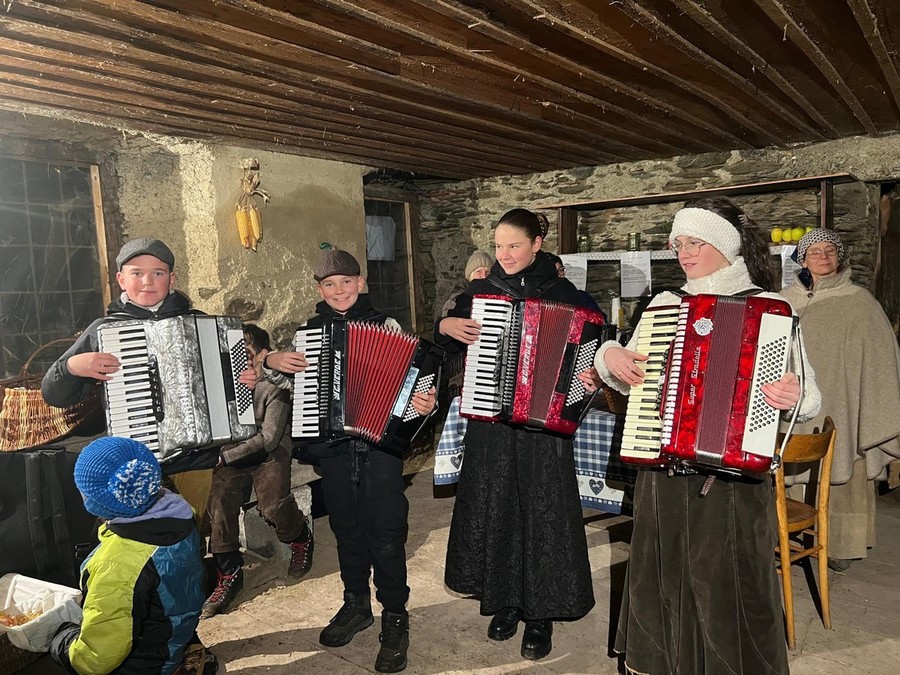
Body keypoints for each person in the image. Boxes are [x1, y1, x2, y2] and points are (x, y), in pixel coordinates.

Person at [595, 197, 821, 674]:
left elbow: (811, 398)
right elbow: (622, 370)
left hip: (734, 482)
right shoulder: (665, 304)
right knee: (664, 574)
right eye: (678, 243)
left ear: (724, 244)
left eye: (694, 241)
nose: (684, 252)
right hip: (663, 468)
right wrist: (610, 355)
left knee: (730, 581)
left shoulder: (770, 310)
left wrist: (792, 393)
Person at [263, 249, 436, 674]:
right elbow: (282, 375)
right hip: (335, 450)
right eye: (329, 284)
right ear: (319, 290)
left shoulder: (387, 326)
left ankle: (395, 617)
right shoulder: (309, 333)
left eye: (346, 281)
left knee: (387, 531)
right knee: (346, 529)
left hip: (380, 447)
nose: (339, 290)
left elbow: (414, 382)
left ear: (361, 283)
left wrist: (424, 403)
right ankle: (355, 604)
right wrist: (271, 359)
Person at [435, 208, 597, 662]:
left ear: (536, 245)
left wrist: (588, 376)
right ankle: (504, 601)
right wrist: (446, 327)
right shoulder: (481, 291)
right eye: (499, 245)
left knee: (542, 514)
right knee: (497, 506)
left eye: (514, 246)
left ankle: (540, 613)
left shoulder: (569, 295)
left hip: (544, 430)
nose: (504, 254)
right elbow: (444, 337)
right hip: (491, 422)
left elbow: (596, 347)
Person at [41, 238, 221, 519]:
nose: (147, 281)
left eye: (158, 273)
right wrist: (73, 366)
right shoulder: (104, 330)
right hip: (133, 462)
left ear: (171, 279)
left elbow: (226, 379)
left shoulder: (199, 324)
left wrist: (242, 380)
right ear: (121, 280)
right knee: (144, 538)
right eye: (137, 273)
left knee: (191, 529)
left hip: (197, 458)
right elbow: (54, 394)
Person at [781, 229, 900, 571]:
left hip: (844, 403)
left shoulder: (859, 301)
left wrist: (868, 399)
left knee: (843, 464)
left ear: (839, 257)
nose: (823, 257)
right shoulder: (784, 301)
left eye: (830, 251)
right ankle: (791, 532)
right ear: (802, 260)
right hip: (796, 402)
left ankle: (840, 543)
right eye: (814, 251)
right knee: (794, 462)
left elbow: (881, 359)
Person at [49, 436, 207, 675]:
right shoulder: (182, 512)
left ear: (97, 503)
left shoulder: (116, 565)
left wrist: (61, 639)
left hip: (147, 665)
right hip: (175, 633)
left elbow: (97, 659)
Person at [201, 324, 314, 618]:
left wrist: (225, 457)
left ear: (264, 355)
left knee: (273, 505)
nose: (240, 362)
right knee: (219, 503)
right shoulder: (225, 385)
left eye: (247, 355)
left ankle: (300, 536)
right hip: (232, 455)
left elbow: (268, 439)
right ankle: (229, 573)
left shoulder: (275, 387)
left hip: (269, 453)